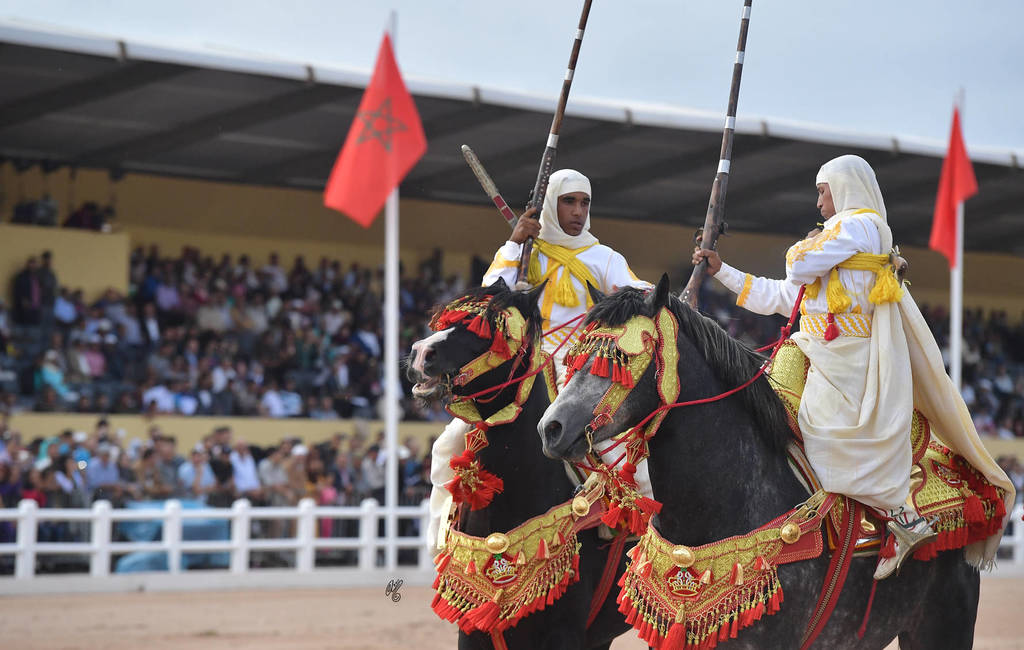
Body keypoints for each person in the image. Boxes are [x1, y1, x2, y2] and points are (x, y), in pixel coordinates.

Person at [692, 154, 1014, 579]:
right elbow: (785, 297)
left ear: (843, 188)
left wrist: (810, 240)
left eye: (823, 192)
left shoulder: (858, 223)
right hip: (813, 352)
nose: (819, 203)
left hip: (846, 361)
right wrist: (723, 271)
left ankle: (901, 518)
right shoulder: (841, 241)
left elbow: (797, 264)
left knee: (819, 437)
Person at [426, 169, 650, 552]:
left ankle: (637, 544)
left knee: (628, 460)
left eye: (584, 203)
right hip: (523, 370)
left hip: (580, 372)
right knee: (448, 445)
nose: (578, 211)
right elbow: (490, 300)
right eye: (568, 202)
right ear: (549, 205)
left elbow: (641, 294)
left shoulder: (604, 257)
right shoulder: (521, 250)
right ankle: (443, 541)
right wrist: (515, 246)